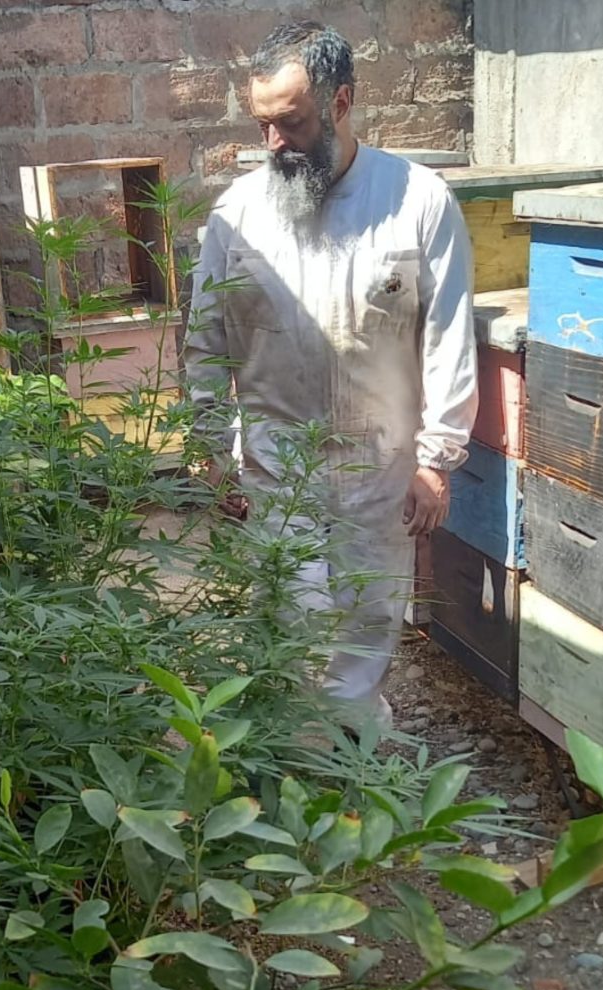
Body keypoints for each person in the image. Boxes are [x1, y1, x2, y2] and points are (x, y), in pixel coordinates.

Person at [183, 20, 478, 732]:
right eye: (262, 124)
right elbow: (205, 337)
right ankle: (286, 746)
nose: (274, 142)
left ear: (341, 102)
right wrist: (206, 442)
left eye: (292, 122)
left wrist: (437, 459)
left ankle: (351, 749)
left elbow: (447, 336)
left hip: (378, 459)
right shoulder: (236, 215)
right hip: (274, 456)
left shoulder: (417, 201)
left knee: (370, 614)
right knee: (287, 610)